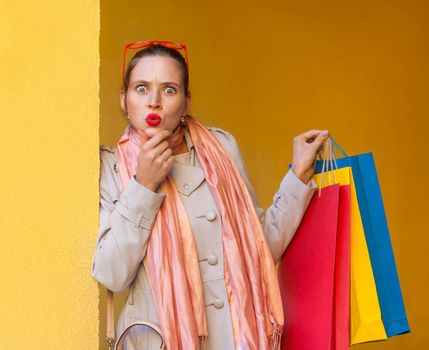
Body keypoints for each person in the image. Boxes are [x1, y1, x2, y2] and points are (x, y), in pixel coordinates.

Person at [92, 41, 327, 350]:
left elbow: (258, 249)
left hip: (235, 338)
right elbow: (111, 273)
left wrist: (298, 175)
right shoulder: (110, 166)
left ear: (187, 102)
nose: (154, 102)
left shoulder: (220, 151)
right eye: (141, 88)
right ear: (124, 99)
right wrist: (143, 185)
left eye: (170, 90)